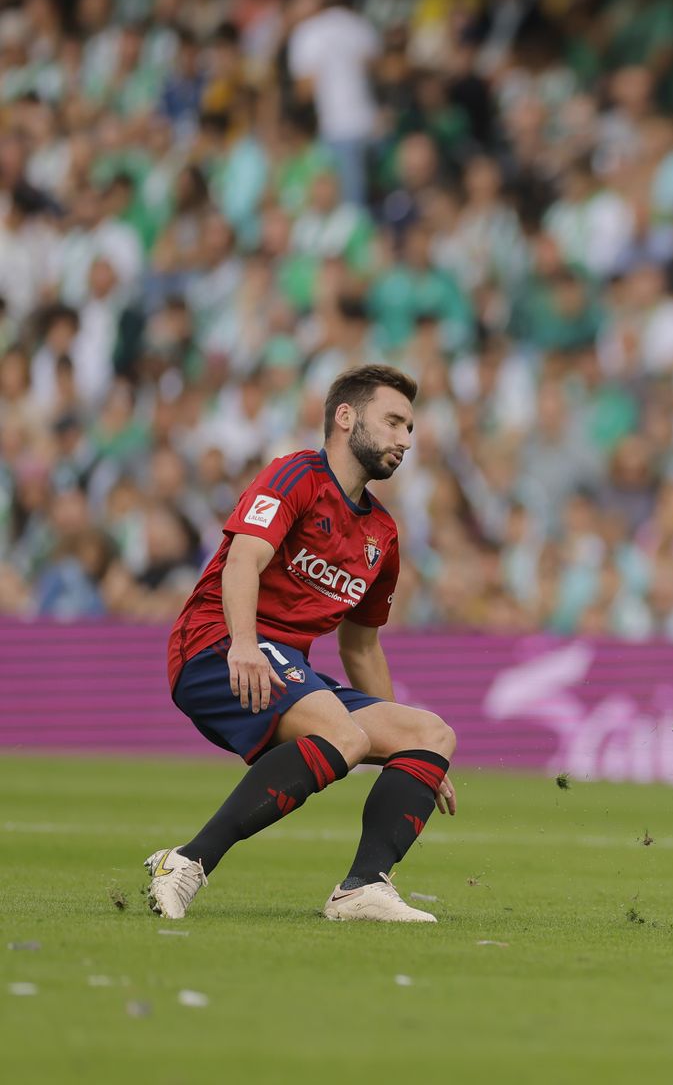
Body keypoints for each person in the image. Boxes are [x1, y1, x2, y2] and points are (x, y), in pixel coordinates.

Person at [147, 365, 456, 922]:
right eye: (392, 422)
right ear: (345, 417)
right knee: (341, 734)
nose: (405, 440)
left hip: (286, 666)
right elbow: (243, 558)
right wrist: (243, 642)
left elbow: (361, 648)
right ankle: (187, 862)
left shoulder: (381, 534)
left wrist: (413, 758)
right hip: (215, 644)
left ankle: (362, 888)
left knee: (430, 733)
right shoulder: (296, 475)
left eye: (410, 428)